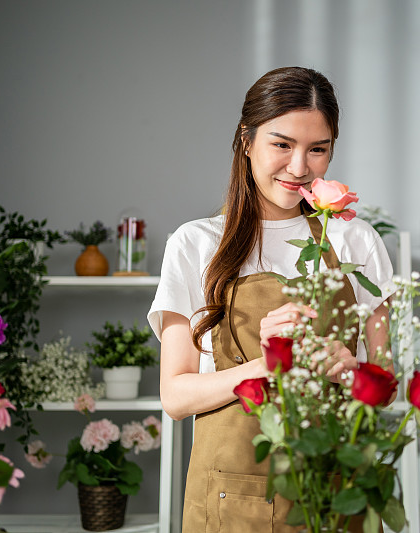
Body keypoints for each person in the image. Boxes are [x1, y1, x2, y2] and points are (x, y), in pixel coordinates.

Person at [147, 66, 394, 532]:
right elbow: (175, 397)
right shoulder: (195, 243)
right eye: (282, 144)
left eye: (318, 149)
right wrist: (265, 367)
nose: (299, 167)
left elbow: (387, 387)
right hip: (230, 502)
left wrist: (350, 371)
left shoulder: (356, 240)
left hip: (334, 494)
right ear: (246, 141)